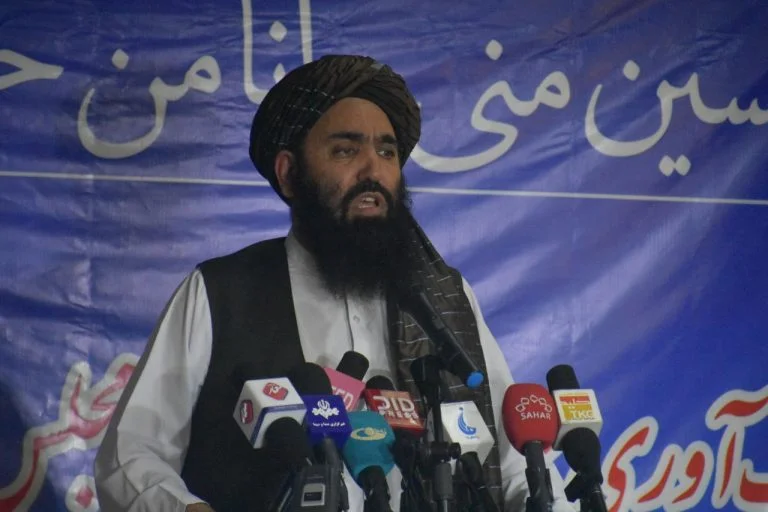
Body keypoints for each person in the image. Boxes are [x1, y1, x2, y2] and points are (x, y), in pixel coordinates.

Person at [94, 55, 575, 512]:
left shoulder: (443, 298)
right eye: (346, 150)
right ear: (289, 174)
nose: (373, 170)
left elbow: (513, 465)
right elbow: (131, 455)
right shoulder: (220, 292)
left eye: (387, 151)